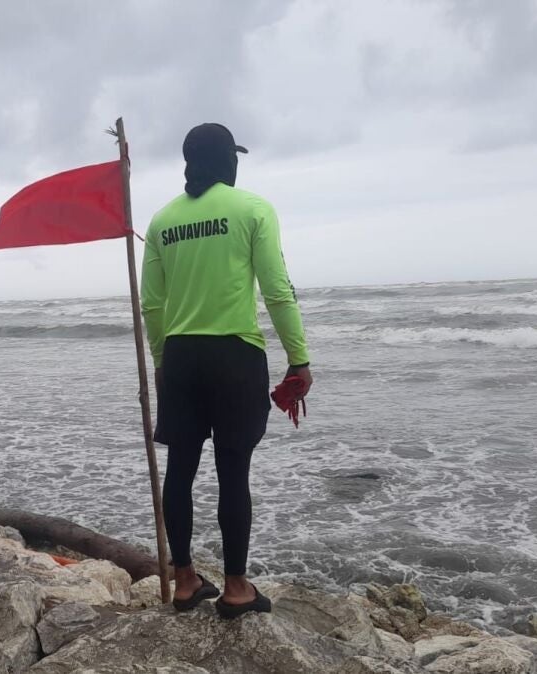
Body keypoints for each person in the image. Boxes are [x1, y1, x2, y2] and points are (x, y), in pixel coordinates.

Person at [141, 123, 312, 618]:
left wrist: (160, 362)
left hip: (181, 357)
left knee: (181, 469)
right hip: (236, 356)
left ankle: (185, 580)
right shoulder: (253, 209)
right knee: (233, 473)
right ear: (227, 160)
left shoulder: (162, 221)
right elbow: (278, 290)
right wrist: (298, 357)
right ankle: (237, 588)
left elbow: (153, 304)